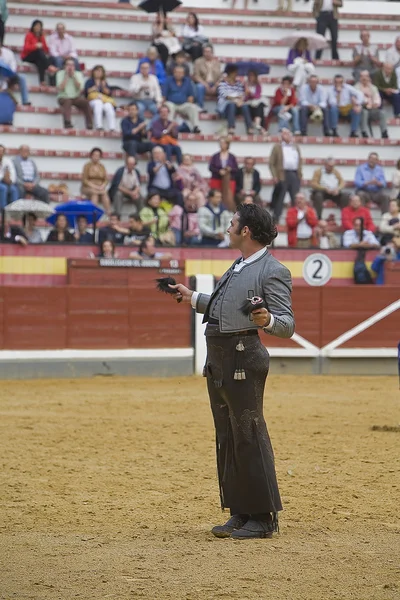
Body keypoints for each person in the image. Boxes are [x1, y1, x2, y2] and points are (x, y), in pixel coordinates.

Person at [169, 203, 294, 540]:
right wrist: (192, 296)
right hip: (221, 360)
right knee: (228, 435)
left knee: (248, 434)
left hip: (244, 359)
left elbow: (288, 324)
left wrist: (268, 320)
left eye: (232, 223)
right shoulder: (240, 265)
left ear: (246, 231)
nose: (228, 227)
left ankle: (264, 518)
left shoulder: (272, 270)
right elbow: (225, 308)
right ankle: (240, 511)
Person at [269, 128, 302, 223]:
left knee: (295, 197)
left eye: (287, 134)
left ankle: (295, 217)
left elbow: (299, 161)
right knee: (280, 196)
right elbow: (272, 163)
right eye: (284, 134)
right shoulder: (277, 147)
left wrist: (300, 174)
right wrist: (274, 175)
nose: (286, 136)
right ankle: (276, 217)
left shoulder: (295, 147)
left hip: (294, 173)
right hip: (282, 174)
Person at [56, 58, 92, 129]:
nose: (70, 67)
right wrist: (66, 76)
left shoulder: (78, 74)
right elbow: (60, 88)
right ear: (64, 66)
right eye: (68, 65)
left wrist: (74, 77)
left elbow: (80, 88)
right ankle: (67, 122)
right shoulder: (60, 73)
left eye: (72, 65)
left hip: (75, 97)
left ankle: (89, 124)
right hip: (63, 96)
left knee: (85, 102)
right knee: (67, 101)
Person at [164, 65, 201, 134]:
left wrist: (190, 101)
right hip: (171, 103)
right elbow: (164, 96)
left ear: (183, 74)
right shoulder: (168, 80)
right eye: (177, 72)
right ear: (173, 73)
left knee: (192, 107)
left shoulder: (187, 81)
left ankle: (196, 127)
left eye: (181, 73)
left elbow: (191, 96)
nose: (178, 74)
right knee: (169, 106)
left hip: (183, 104)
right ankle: (169, 127)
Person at [217, 64, 253, 135]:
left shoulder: (239, 84)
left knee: (244, 106)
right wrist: (236, 99)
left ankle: (249, 128)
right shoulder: (222, 84)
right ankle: (231, 127)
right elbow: (226, 96)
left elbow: (241, 95)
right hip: (225, 107)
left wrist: (241, 99)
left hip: (237, 105)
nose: (236, 74)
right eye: (235, 73)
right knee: (231, 104)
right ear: (230, 73)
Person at [355, 70, 388, 139]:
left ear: (369, 78)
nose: (364, 78)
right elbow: (357, 100)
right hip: (362, 109)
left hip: (372, 109)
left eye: (366, 76)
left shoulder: (373, 88)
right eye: (362, 76)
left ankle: (384, 132)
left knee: (382, 112)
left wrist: (375, 104)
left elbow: (377, 100)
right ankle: (364, 132)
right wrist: (365, 102)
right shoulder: (356, 88)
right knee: (365, 112)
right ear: (360, 78)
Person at [208, 137, 239, 211]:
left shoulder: (232, 157)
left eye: (224, 143)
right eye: (220, 143)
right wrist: (219, 171)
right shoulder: (215, 156)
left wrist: (230, 169)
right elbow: (211, 167)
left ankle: (229, 211)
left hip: (229, 181)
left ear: (227, 144)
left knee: (228, 197)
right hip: (216, 179)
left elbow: (236, 169)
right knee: (216, 196)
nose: (222, 145)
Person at [21, 19, 54, 85]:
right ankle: (49, 66)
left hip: (37, 57)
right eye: (36, 26)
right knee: (38, 51)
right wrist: (35, 46)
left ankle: (42, 81)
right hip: (27, 56)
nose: (38, 28)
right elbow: (26, 48)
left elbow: (45, 49)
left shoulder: (41, 36)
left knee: (40, 62)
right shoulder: (29, 35)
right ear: (33, 27)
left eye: (39, 26)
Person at [84, 65, 116, 131]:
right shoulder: (90, 81)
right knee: (98, 103)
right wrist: (94, 88)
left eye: (101, 71)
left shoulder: (104, 82)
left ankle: (112, 127)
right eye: (97, 70)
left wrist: (104, 87)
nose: (99, 72)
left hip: (103, 100)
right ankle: (99, 126)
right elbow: (86, 92)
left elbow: (109, 93)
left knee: (109, 106)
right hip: (93, 101)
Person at [81, 147, 111, 214]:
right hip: (88, 187)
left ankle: (109, 213)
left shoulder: (102, 166)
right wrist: (95, 186)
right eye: (94, 155)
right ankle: (93, 213)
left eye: (98, 156)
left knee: (104, 194)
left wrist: (103, 186)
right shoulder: (87, 165)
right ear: (91, 156)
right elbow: (84, 180)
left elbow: (106, 179)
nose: (96, 157)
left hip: (100, 187)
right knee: (95, 194)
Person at [193, 44, 221, 110]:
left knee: (222, 87)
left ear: (212, 53)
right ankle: (200, 107)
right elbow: (196, 76)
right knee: (199, 87)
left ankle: (220, 108)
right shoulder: (198, 62)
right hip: (203, 83)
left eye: (209, 52)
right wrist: (205, 84)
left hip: (214, 83)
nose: (207, 54)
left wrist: (215, 86)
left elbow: (220, 77)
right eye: (205, 52)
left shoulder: (217, 63)